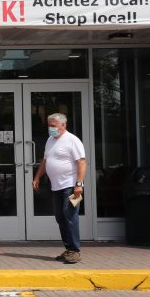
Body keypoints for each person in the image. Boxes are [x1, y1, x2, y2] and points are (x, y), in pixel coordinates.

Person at [32, 113, 86, 264]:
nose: (51, 129)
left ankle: (75, 251)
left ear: (63, 125)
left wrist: (79, 184)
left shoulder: (72, 140)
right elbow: (46, 160)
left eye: (54, 126)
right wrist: (37, 177)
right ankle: (68, 248)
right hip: (56, 186)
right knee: (60, 217)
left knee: (70, 217)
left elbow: (82, 162)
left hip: (71, 186)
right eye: (49, 126)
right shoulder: (50, 140)